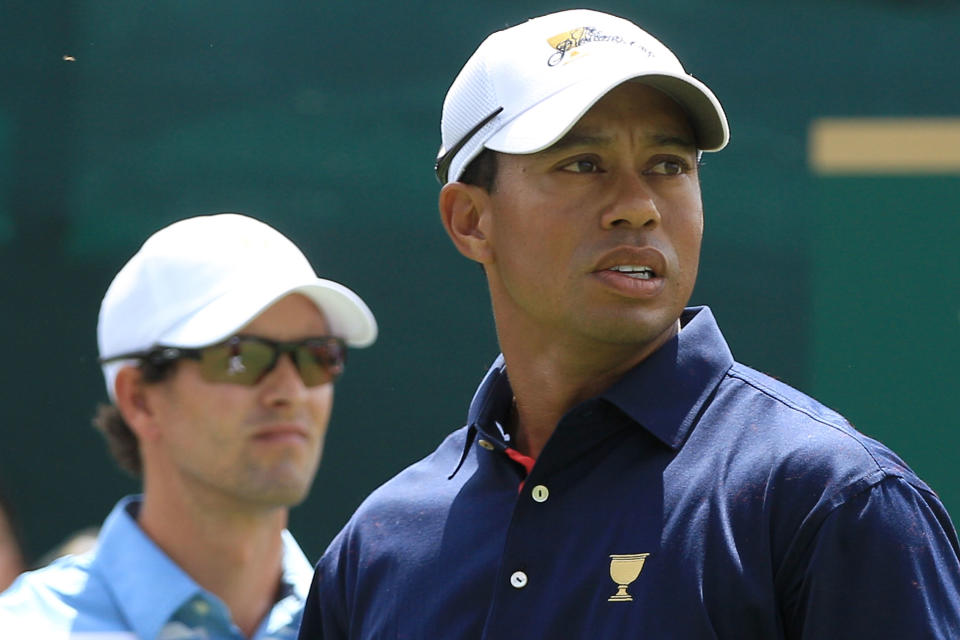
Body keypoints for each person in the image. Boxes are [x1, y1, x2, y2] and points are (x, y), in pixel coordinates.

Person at [298, 9, 960, 639]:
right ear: (471, 221)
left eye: (669, 167)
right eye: (583, 165)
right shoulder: (377, 545)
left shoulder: (833, 499)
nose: (639, 207)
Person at [0, 213, 377, 639]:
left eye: (316, 355)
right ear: (139, 399)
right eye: (241, 356)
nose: (290, 391)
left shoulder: (377, 624)